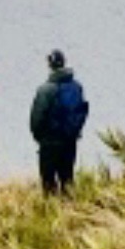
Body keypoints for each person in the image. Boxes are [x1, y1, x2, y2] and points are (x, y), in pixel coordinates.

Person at [29, 48, 88, 194]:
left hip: (50, 140)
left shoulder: (46, 89)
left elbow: (37, 118)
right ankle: (71, 211)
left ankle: (52, 211)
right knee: (67, 178)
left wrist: (39, 137)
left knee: (48, 179)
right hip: (70, 139)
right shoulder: (76, 87)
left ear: (50, 64)